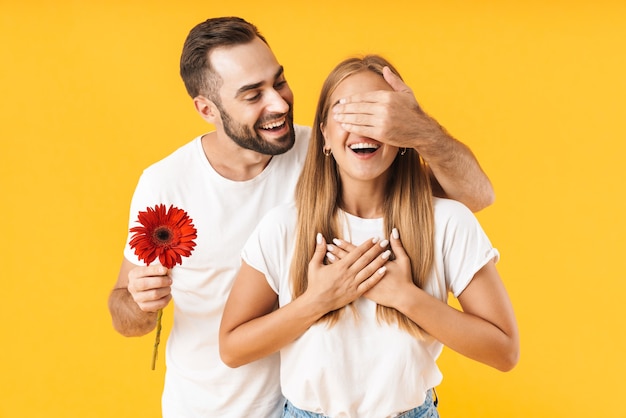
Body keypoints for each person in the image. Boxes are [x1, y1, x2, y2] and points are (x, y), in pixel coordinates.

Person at [108, 17, 495, 418]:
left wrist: (420, 131)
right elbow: (125, 313)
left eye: (278, 81)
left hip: (303, 405)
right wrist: (142, 305)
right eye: (252, 94)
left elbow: (475, 196)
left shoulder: (329, 154)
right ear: (207, 108)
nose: (278, 103)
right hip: (209, 406)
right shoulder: (166, 183)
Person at [219, 55, 519, 418]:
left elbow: (504, 351)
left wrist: (406, 297)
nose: (362, 127)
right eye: (346, 111)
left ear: (403, 134)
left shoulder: (448, 222)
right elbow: (233, 348)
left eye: (376, 113)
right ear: (324, 134)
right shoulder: (283, 227)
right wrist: (317, 300)